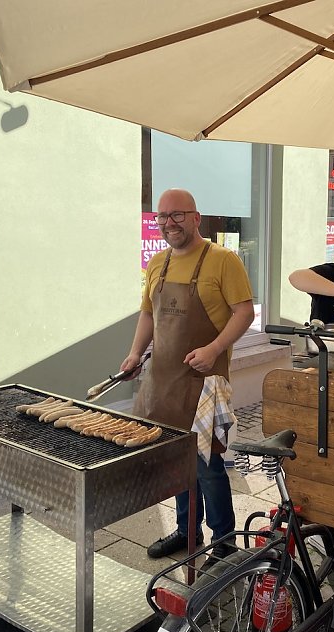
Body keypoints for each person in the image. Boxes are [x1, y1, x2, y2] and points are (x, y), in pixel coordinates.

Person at [121, 188, 254, 560]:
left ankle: (225, 542)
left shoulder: (223, 260)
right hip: (163, 381)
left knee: (208, 466)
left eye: (176, 215)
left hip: (206, 382)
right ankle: (186, 531)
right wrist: (135, 353)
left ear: (196, 218)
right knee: (176, 463)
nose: (168, 223)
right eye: (161, 217)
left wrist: (214, 349)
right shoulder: (157, 264)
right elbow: (148, 314)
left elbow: (244, 312)